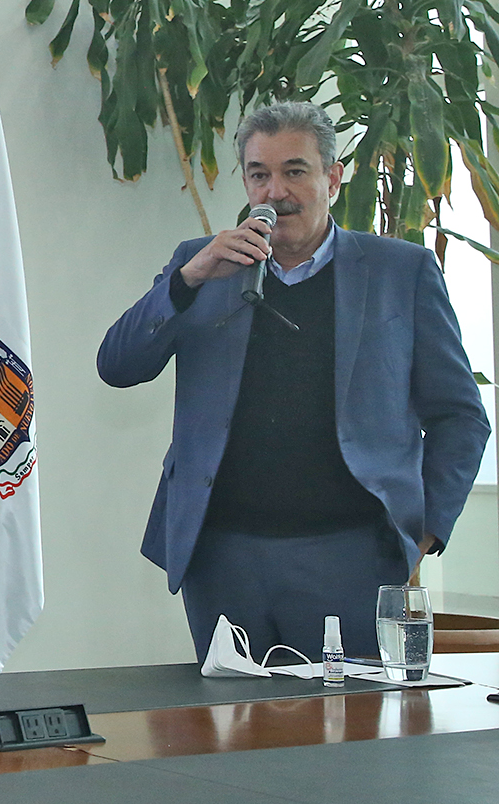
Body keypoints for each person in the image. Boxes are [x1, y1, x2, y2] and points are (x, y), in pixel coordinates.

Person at [98, 101, 490, 662]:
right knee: (229, 718)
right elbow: (117, 366)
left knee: (348, 719)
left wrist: (423, 535)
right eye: (259, 174)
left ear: (333, 177)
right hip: (222, 559)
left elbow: (460, 416)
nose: (275, 192)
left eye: (295, 171)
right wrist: (189, 279)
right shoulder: (201, 265)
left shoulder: (400, 271)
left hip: (352, 558)